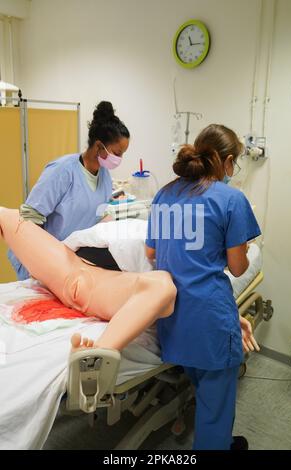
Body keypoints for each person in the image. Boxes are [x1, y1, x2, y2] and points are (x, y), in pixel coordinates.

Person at [145, 124, 261, 450]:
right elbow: (238, 267)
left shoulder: (165, 193)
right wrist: (246, 247)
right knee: (215, 408)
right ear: (225, 161)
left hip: (172, 316)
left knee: (201, 387)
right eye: (234, 163)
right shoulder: (231, 199)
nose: (233, 170)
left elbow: (151, 252)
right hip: (210, 319)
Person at [0, 207, 176, 352]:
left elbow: (158, 285)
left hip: (80, 276)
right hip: (72, 263)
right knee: (6, 216)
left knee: (160, 285)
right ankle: (98, 354)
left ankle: (98, 354)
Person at [8, 101, 129, 280]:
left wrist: (120, 230)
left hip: (70, 262)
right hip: (40, 260)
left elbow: (99, 213)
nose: (119, 159)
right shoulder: (62, 171)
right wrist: (38, 262)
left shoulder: (104, 176)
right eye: (117, 153)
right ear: (98, 147)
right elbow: (29, 220)